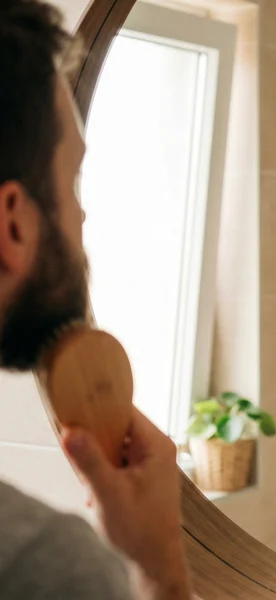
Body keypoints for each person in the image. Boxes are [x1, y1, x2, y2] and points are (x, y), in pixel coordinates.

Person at [0, 1, 192, 598]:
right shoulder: (42, 564)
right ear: (12, 224)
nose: (82, 214)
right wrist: (161, 566)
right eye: (72, 181)